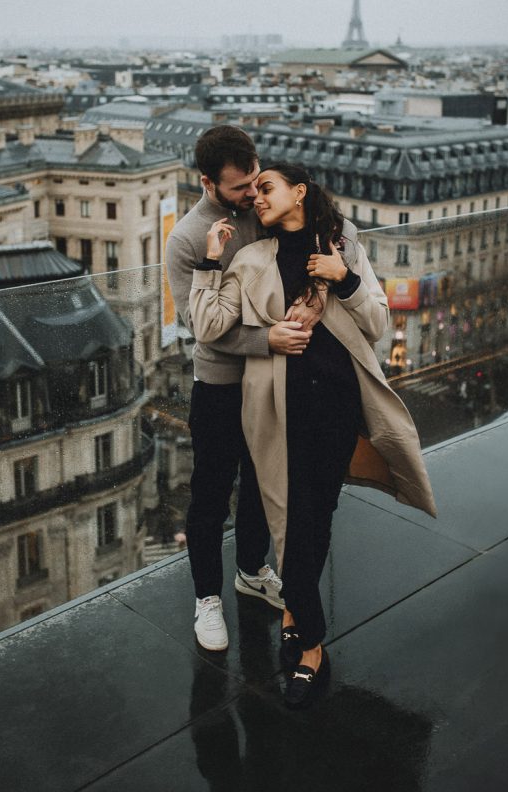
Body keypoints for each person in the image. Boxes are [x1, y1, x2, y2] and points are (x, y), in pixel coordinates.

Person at [189, 163, 437, 707]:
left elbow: (378, 324)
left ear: (299, 192)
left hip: (336, 410)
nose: (256, 198)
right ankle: (307, 633)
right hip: (275, 414)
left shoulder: (342, 249)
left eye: (267, 188)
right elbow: (207, 325)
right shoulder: (251, 258)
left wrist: (344, 277)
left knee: (313, 518)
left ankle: (304, 632)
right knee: (287, 520)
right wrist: (211, 260)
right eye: (252, 192)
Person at [165, 127, 325, 652]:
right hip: (219, 381)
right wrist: (267, 340)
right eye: (239, 189)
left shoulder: (264, 208)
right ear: (207, 182)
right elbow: (197, 324)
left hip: (270, 375)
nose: (252, 196)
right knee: (211, 491)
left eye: (257, 182)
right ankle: (206, 597)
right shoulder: (187, 238)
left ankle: (252, 570)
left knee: (261, 481)